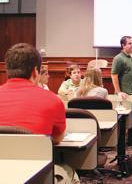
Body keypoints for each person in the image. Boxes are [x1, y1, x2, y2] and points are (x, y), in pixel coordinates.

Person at [0, 43, 79, 183]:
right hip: (37, 175)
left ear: (8, 70)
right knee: (70, 174)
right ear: (35, 72)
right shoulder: (53, 100)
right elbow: (58, 138)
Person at [111, 36, 132, 119]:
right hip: (126, 94)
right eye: (129, 43)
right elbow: (114, 75)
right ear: (123, 45)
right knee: (126, 120)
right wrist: (118, 92)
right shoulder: (118, 58)